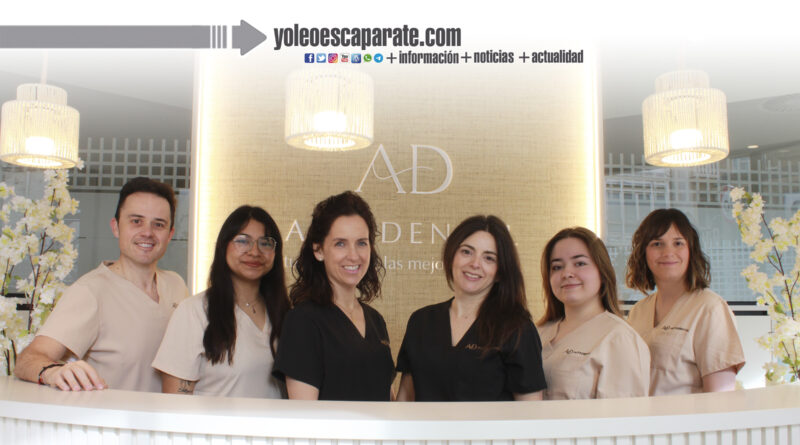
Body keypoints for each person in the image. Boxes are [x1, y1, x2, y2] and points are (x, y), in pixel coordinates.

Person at [14, 177, 189, 392]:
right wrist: (53, 372)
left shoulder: (176, 285)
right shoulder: (89, 291)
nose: (147, 232)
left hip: (170, 413)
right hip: (112, 414)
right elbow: (28, 359)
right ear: (116, 227)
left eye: (158, 224)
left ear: (170, 234)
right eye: (136, 221)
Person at [396, 215, 547, 401]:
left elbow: (530, 409)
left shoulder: (517, 328)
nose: (475, 264)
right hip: (422, 422)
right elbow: (406, 398)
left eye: (489, 258)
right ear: (451, 255)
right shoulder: (421, 321)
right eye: (467, 252)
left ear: (500, 272)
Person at [152, 205, 289, 397]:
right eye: (243, 241)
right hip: (213, 419)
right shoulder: (194, 311)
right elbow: (175, 400)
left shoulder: (284, 312)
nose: (255, 251)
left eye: (265, 243)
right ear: (223, 246)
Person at [273, 191, 393, 401]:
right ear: (318, 250)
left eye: (361, 243)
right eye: (340, 243)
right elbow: (305, 413)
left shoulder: (376, 321)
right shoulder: (303, 322)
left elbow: (387, 397)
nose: (353, 255)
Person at [626, 209, 745, 395]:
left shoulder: (709, 307)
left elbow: (720, 398)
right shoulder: (638, 311)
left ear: (691, 250)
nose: (668, 252)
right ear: (643, 253)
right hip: (640, 413)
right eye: (657, 244)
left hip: (688, 415)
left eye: (678, 243)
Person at [537, 227, 650, 400]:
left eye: (580, 263)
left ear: (602, 272)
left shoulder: (619, 339)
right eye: (557, 267)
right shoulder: (538, 332)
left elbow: (623, 415)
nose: (566, 273)